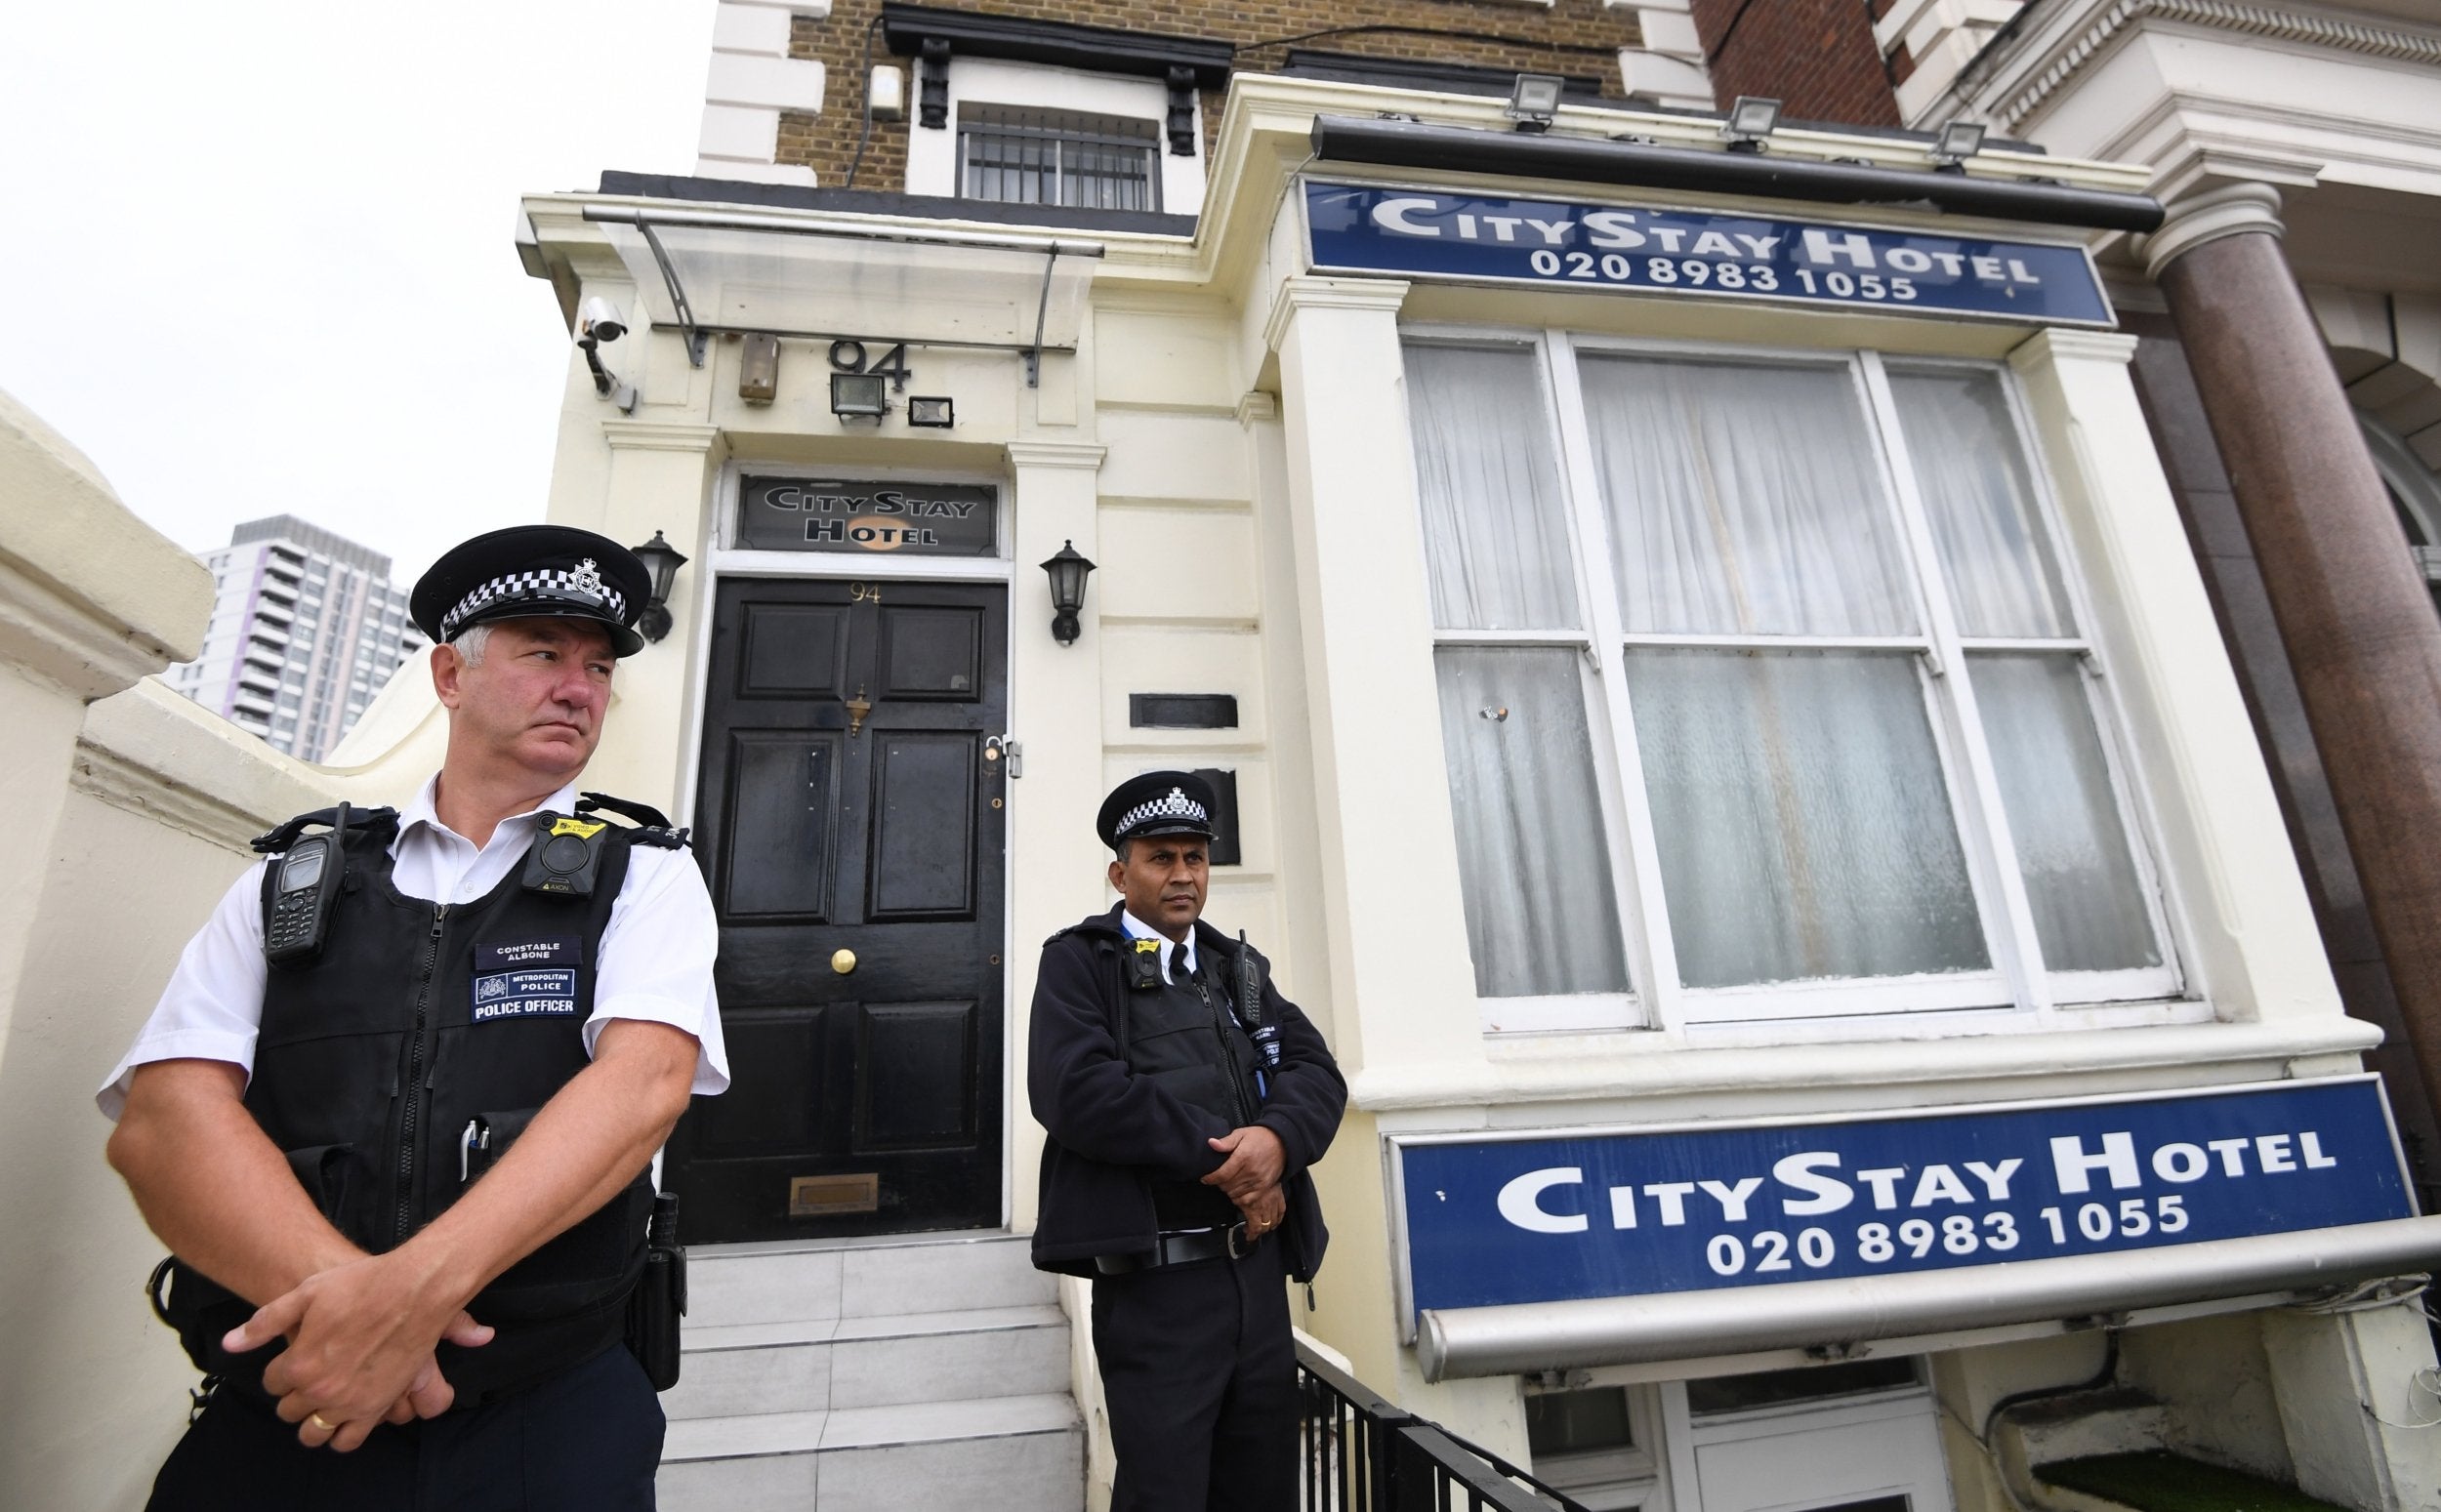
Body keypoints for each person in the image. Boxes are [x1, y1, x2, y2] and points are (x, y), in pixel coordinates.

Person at [100, 524, 727, 1511]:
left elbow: (641, 1086)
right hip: (297, 1398)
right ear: (448, 675)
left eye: (599, 666)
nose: (579, 686)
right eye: (543, 654)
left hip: (544, 1409)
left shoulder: (643, 874)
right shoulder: (292, 881)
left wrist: (407, 1303)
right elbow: (164, 1125)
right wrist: (360, 1321)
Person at [1029, 770, 1347, 1511]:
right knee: (1166, 1496)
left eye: (1195, 857)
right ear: (1121, 870)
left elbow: (1315, 1071)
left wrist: (1276, 1141)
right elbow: (1079, 1091)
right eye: (1161, 856)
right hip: (1157, 1291)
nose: (1183, 875)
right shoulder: (1081, 961)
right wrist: (1235, 1163)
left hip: (1258, 1282)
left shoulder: (1236, 968)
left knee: (1262, 1492)